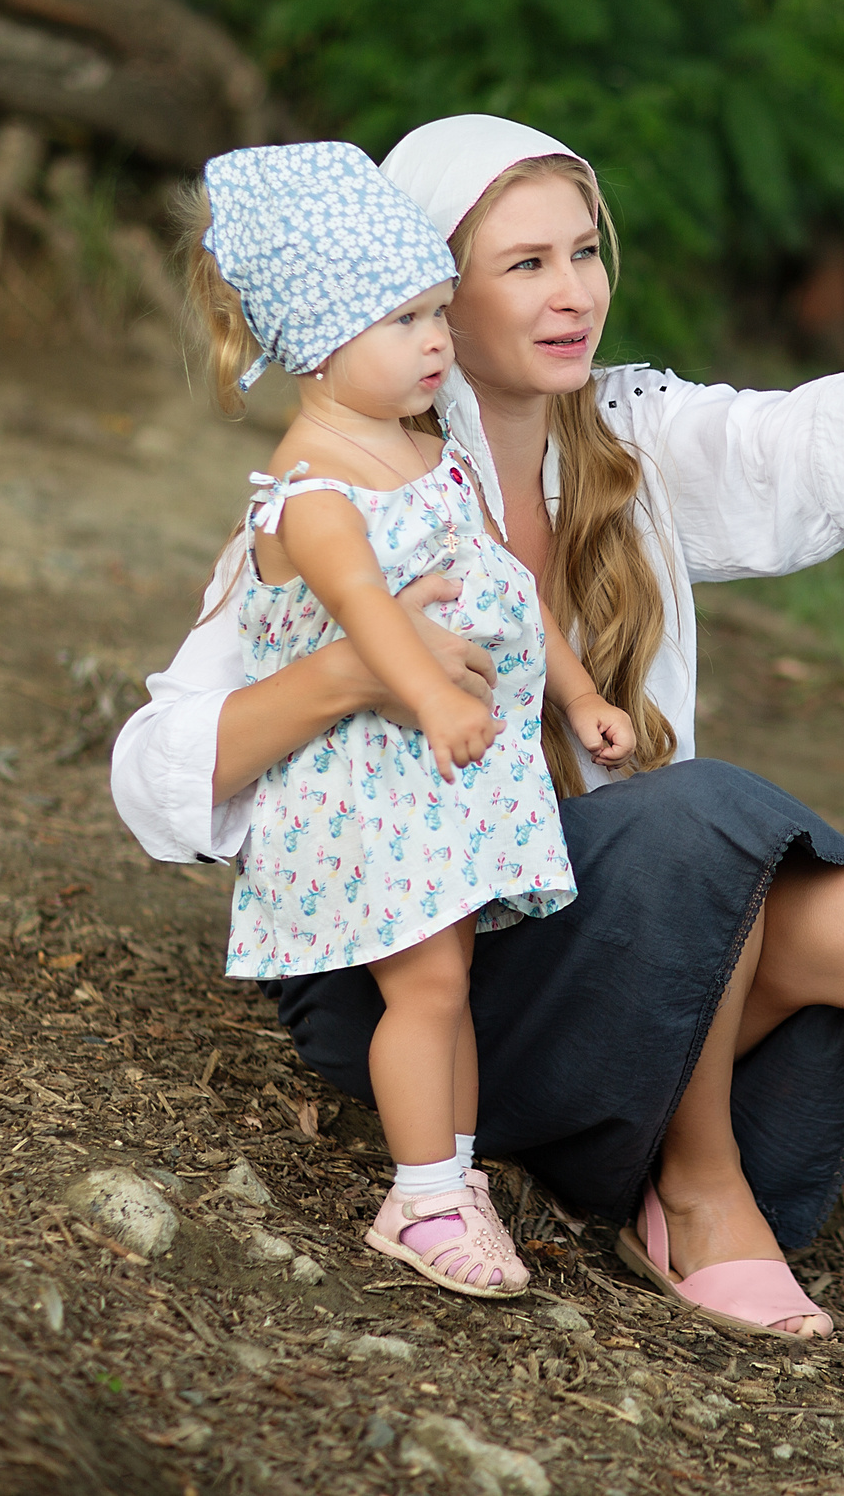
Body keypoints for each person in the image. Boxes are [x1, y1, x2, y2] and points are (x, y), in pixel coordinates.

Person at [112, 116, 844, 1427]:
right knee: (708, 814)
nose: (574, 292)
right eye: (522, 266)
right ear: (415, 291)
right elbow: (153, 773)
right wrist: (350, 675)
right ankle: (695, 1187)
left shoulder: (622, 436)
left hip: (605, 954)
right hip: (406, 972)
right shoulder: (349, 484)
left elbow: (803, 439)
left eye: (585, 251)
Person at [179, 141, 632, 1302]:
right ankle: (425, 1195)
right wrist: (432, 694)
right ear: (320, 344)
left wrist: (578, 698)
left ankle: (450, 1170)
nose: (437, 341)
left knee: (448, 982)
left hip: (438, 779)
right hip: (370, 789)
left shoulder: (431, 452)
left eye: (439, 311)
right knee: (426, 987)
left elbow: (507, 587)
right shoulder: (314, 489)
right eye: (404, 322)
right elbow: (365, 618)